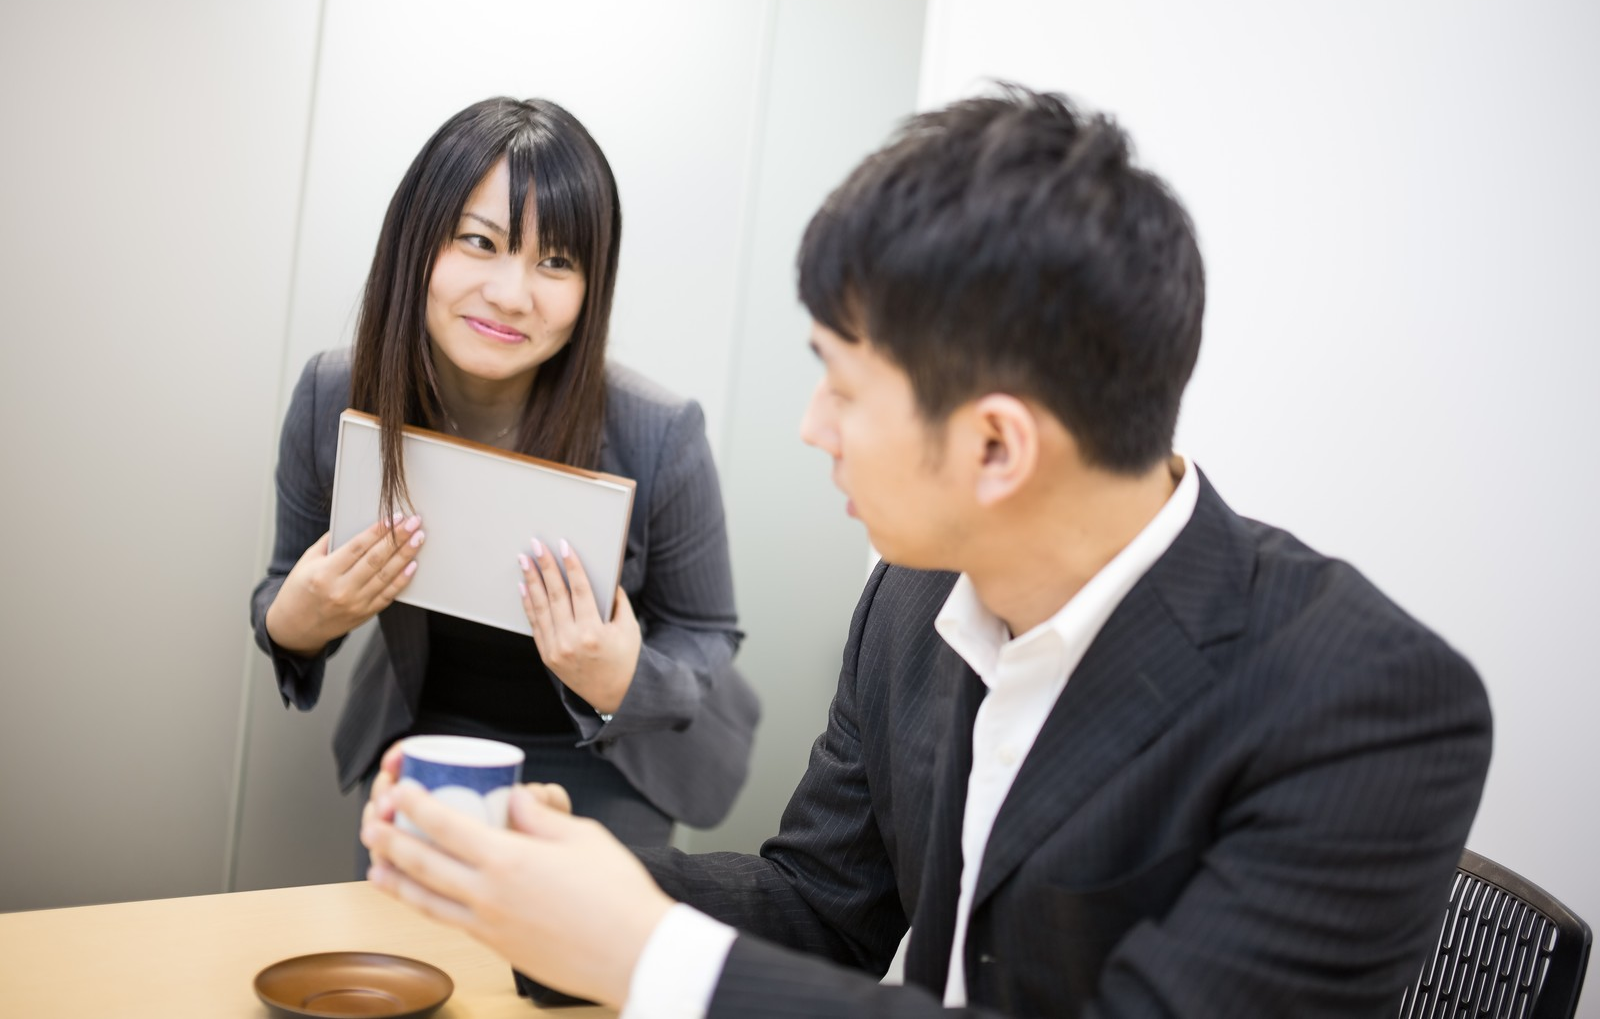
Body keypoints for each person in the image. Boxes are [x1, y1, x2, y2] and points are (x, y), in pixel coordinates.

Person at [358, 86, 1493, 1017]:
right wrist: (584, 883)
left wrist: (648, 949)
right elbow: (820, 902)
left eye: (842, 386)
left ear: (996, 444)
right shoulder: (912, 596)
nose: (813, 427)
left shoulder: (1367, 709)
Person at [249, 97, 760, 854]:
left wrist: (620, 676)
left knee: (575, 963)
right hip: (430, 728)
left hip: (613, 753)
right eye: (479, 242)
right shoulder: (336, 396)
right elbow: (281, 592)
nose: (513, 294)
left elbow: (706, 633)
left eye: (555, 261)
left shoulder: (658, 430)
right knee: (411, 950)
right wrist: (302, 620)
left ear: (592, 287)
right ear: (416, 244)